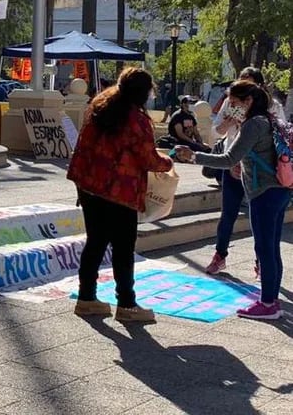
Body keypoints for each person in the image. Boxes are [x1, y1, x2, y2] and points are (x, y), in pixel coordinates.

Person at [176, 80, 290, 320]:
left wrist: (194, 156)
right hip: (280, 189)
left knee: (265, 248)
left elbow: (229, 159)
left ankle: (268, 303)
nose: (230, 107)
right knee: (271, 248)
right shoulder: (269, 119)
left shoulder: (253, 125)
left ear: (248, 102)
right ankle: (272, 300)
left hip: (263, 193)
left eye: (235, 103)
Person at [67, 67, 174, 322]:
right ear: (143, 93)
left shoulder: (100, 105)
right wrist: (168, 162)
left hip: (90, 184)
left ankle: (86, 299)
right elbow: (148, 159)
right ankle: (126, 304)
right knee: (123, 248)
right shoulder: (136, 120)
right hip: (119, 190)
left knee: (95, 242)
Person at [205, 66, 282, 277]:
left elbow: (279, 138)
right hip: (233, 169)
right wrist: (228, 123)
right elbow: (216, 132)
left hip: (261, 175)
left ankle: (263, 266)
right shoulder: (232, 104)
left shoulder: (269, 110)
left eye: (249, 85)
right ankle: (220, 255)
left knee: (263, 227)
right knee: (228, 213)